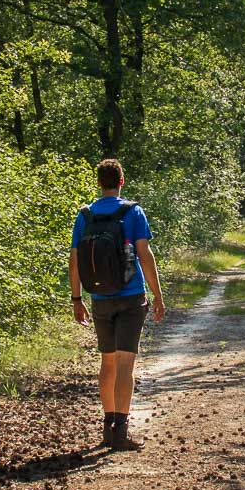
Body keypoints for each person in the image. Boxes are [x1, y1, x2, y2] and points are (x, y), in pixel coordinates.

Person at [68, 159, 166, 451]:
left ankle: (107, 426)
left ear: (100, 183)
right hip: (131, 296)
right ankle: (121, 431)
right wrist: (157, 294)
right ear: (122, 181)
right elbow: (144, 256)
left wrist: (76, 299)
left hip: (99, 299)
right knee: (126, 362)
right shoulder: (132, 211)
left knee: (107, 361)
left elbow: (74, 261)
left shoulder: (84, 214)